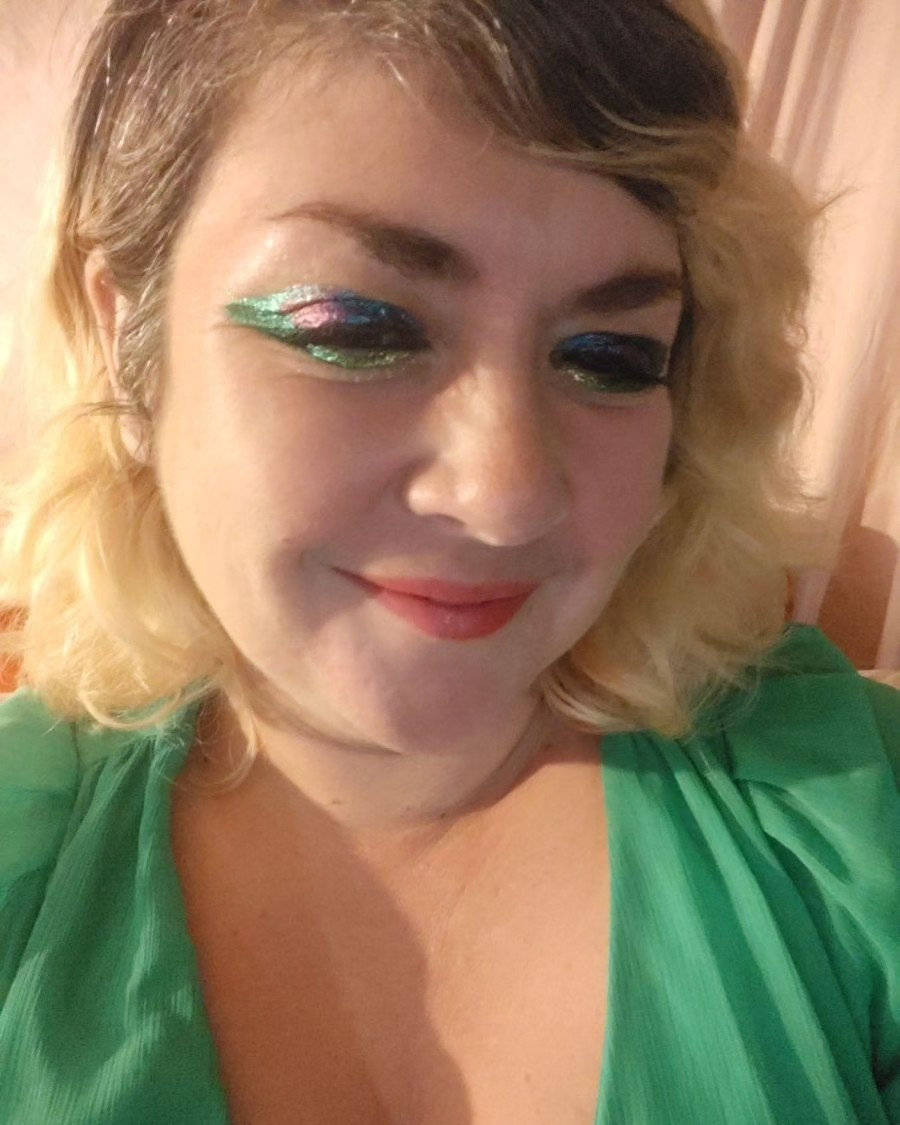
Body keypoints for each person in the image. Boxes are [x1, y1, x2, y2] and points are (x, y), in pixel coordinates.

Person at [0, 0, 897, 1121]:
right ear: (128, 341)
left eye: (611, 356)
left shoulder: (855, 822)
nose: (508, 497)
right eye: (354, 329)